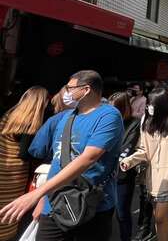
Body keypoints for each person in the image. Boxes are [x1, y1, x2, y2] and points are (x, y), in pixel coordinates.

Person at [2, 71, 124, 241]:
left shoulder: (109, 116)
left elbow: (89, 157)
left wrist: (37, 193)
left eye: (70, 88)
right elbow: (55, 161)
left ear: (86, 89)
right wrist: (43, 199)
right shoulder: (63, 118)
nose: (66, 92)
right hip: (54, 203)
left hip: (91, 205)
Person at [120, 88, 168, 241]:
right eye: (148, 104)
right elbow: (144, 150)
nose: (149, 107)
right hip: (152, 179)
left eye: (152, 104)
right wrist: (130, 161)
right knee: (159, 217)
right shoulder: (146, 122)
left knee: (160, 217)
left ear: (162, 105)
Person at [0, 86, 49, 241]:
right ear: (42, 102)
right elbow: (24, 154)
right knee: (8, 208)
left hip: (2, 165)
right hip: (13, 175)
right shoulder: (31, 122)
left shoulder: (11, 114)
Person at [109, 92, 141, 241]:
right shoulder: (107, 121)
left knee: (122, 212)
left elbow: (128, 147)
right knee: (106, 211)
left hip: (122, 173)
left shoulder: (134, 123)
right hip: (105, 174)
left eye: (114, 108)